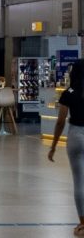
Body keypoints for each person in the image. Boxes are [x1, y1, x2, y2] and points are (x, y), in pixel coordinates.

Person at [49, 59, 84, 236]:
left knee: (79, 181)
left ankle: (83, 224)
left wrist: (53, 146)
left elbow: (61, 121)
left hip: (76, 135)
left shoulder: (68, 93)